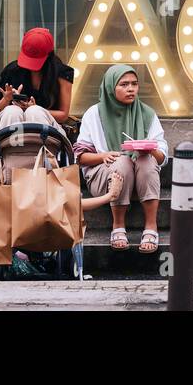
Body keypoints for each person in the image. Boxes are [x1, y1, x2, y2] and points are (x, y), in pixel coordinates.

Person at [74, 64, 168, 254]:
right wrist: (103, 156)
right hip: (103, 178)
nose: (131, 88)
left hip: (140, 178)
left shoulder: (146, 113)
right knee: (123, 161)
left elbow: (162, 157)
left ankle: (151, 226)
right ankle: (118, 226)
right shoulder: (94, 114)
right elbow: (80, 156)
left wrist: (149, 149)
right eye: (124, 84)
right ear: (110, 87)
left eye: (134, 84)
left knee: (146, 161)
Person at [0, 27, 73, 133]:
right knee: (12, 111)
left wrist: (32, 108)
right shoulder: (12, 71)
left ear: (48, 55)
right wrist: (7, 99)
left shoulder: (62, 73)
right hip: (15, 131)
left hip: (49, 130)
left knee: (35, 112)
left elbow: (63, 115)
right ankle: (11, 148)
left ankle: (41, 149)